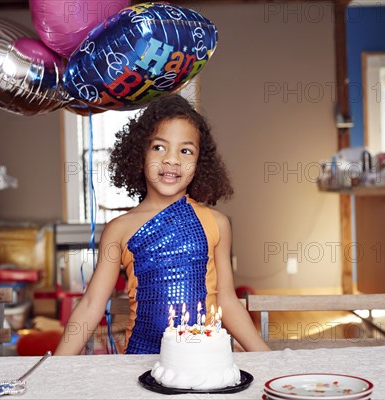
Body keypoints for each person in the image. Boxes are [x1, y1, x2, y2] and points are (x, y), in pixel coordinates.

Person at [54, 94, 270, 355]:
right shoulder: (119, 229)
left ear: (200, 162)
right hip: (140, 360)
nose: (172, 159)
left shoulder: (217, 223)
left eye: (185, 150)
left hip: (205, 359)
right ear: (140, 154)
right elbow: (91, 304)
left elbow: (227, 301)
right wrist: (57, 366)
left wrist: (266, 358)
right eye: (159, 147)